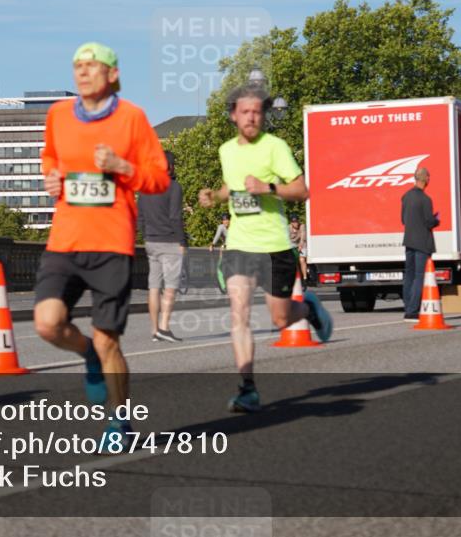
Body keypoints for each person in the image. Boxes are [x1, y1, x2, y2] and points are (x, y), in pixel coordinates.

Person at [33, 42, 170, 449]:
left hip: (112, 243)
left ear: (112, 74)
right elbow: (49, 158)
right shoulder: (58, 114)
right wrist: (53, 178)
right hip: (65, 240)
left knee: (109, 338)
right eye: (77, 66)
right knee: (47, 324)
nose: (82, 73)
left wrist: (122, 167)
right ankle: (88, 354)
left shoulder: (132, 118)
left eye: (91, 66)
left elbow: (159, 178)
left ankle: (119, 420)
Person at [197, 80, 332, 413]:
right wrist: (214, 196)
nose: (251, 118)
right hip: (240, 245)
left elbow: (302, 190)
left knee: (281, 317)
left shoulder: (276, 147)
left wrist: (267, 187)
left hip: (274, 245)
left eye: (257, 112)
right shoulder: (226, 151)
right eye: (245, 112)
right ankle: (247, 388)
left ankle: (308, 308)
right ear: (233, 116)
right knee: (238, 315)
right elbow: (231, 184)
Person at [137, 150, 186, 343]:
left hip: (151, 241)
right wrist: (182, 241)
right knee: (170, 288)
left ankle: (154, 329)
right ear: (171, 167)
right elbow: (175, 217)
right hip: (170, 242)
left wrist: (146, 234)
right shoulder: (174, 187)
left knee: (154, 287)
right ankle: (164, 328)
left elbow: (140, 217)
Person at [401, 167, 439, 323]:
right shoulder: (425, 199)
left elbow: (403, 219)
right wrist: (436, 220)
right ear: (426, 179)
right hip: (422, 242)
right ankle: (412, 311)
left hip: (408, 241)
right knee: (419, 276)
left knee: (409, 275)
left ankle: (407, 305)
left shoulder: (406, 196)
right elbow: (429, 221)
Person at [288, 214, 308, 280]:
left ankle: (305, 277)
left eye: (296, 221)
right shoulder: (288, 228)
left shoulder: (302, 226)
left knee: (302, 260)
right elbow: (287, 239)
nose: (295, 223)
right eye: (293, 222)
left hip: (302, 244)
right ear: (291, 222)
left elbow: (303, 237)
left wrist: (300, 246)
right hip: (292, 245)